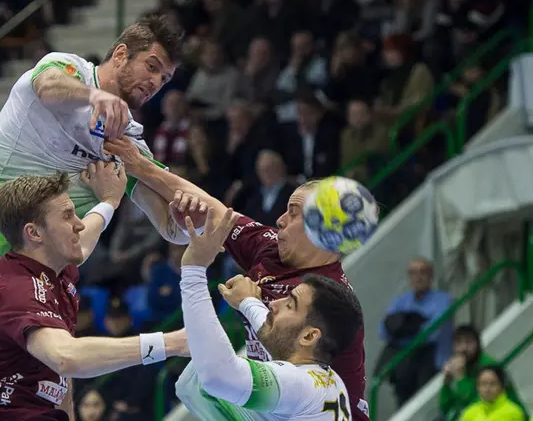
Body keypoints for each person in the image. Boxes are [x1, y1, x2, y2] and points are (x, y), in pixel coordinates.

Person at [0, 13, 188, 417]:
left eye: (165, 79)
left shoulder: (127, 142)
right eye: (151, 67)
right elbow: (46, 86)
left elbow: (174, 228)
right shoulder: (67, 69)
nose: (155, 82)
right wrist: (94, 96)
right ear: (121, 55)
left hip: (40, 271)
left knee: (55, 395)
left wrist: (185, 202)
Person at [104, 137, 371, 420]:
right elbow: (215, 211)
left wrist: (200, 271)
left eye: (293, 214)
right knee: (195, 380)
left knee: (213, 376)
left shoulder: (324, 297)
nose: (280, 219)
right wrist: (138, 167)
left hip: (304, 406)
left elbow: (276, 346)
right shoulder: (271, 248)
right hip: (284, 399)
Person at [0, 170, 187, 420]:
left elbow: (84, 241)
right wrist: (173, 343)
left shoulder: (53, 267)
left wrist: (109, 202)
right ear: (35, 233)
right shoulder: (18, 289)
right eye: (67, 216)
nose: (79, 223)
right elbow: (67, 357)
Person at [175, 207, 362, 420]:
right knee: (197, 378)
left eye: (290, 304)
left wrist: (194, 270)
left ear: (310, 336)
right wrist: (247, 302)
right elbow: (274, 329)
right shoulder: (325, 378)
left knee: (204, 378)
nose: (274, 304)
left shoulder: (297, 384)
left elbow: (217, 376)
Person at [458, 366, 525, 421]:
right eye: (483, 384)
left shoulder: (514, 413)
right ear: (477, 387)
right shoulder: (469, 412)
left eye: (493, 384)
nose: (487, 389)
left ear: (502, 387)